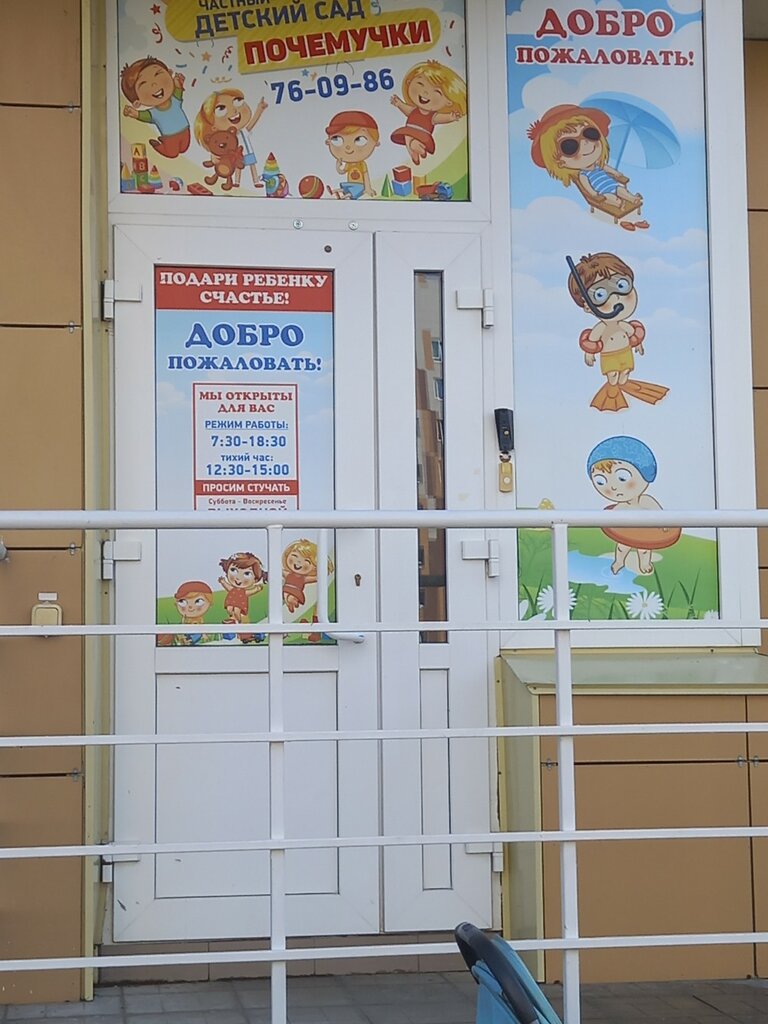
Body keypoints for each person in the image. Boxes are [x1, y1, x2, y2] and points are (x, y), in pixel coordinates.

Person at [567, 251, 668, 412]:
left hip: (625, 351)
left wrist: (637, 343)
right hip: (610, 355)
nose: (616, 298)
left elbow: (632, 333)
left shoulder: (623, 325)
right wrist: (589, 352)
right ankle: (612, 390)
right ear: (587, 306)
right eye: (600, 294)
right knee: (613, 374)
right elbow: (592, 340)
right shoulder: (601, 328)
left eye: (621, 285)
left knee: (626, 370)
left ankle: (624, 384)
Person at [528, 103, 647, 229]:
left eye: (590, 133)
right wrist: (594, 194)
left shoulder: (599, 166)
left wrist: (617, 174)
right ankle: (619, 204)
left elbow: (609, 169)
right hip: (602, 191)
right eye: (569, 146)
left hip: (612, 185)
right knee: (611, 198)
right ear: (560, 162)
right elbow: (587, 188)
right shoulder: (583, 175)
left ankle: (632, 198)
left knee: (622, 190)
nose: (586, 142)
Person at [587, 436, 680, 575]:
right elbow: (612, 518)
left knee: (644, 549)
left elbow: (660, 514)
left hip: (646, 531)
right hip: (626, 532)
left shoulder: (647, 501)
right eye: (601, 481)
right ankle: (619, 562)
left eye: (622, 478)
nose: (613, 487)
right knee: (622, 547)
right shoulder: (620, 507)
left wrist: (665, 525)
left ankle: (644, 563)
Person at [390, 60, 467, 166]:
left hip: (422, 133)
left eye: (437, 91)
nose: (425, 92)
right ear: (409, 83)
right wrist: (399, 103)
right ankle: (413, 153)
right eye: (420, 84)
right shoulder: (414, 110)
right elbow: (406, 110)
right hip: (409, 129)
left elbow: (440, 118)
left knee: (412, 141)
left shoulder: (432, 116)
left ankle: (418, 149)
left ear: (448, 102)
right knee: (408, 137)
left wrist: (451, 117)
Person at [194, 89, 268, 188]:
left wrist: (259, 109)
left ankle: (256, 181)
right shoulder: (224, 139)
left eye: (237, 102)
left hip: (248, 152)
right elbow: (217, 151)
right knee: (237, 168)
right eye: (221, 109)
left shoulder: (242, 132)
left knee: (252, 166)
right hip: (235, 156)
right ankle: (236, 182)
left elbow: (252, 123)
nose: (234, 110)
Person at [121, 57, 190, 158]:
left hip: (185, 130)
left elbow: (178, 91)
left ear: (169, 73)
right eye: (144, 83)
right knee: (172, 153)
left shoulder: (175, 100)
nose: (154, 84)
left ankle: (165, 143)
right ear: (137, 102)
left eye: (157, 74)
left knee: (184, 148)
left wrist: (178, 84)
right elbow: (143, 115)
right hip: (170, 136)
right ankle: (158, 146)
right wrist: (134, 113)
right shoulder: (154, 113)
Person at [325, 111, 380, 198]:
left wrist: (368, 188)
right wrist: (338, 166)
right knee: (346, 188)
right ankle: (334, 192)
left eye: (359, 140)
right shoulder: (349, 164)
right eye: (337, 139)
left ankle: (344, 197)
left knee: (356, 190)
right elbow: (342, 172)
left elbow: (365, 175)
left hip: (360, 185)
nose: (348, 147)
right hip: (351, 183)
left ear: (375, 142)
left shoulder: (361, 164)